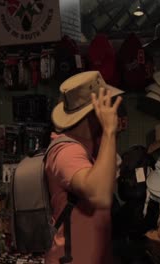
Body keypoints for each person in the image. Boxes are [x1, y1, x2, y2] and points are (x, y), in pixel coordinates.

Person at [45, 71, 124, 264]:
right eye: (106, 104)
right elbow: (100, 195)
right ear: (94, 112)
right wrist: (108, 130)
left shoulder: (88, 147)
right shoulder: (66, 151)